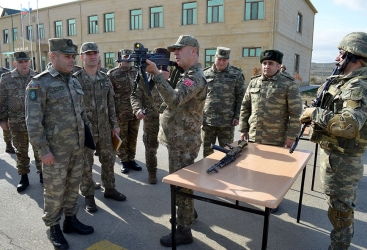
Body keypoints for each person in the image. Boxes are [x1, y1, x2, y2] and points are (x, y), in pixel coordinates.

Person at [299, 32, 367, 250]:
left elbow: (348, 125)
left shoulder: (358, 86)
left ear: (355, 57)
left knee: (340, 212)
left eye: (341, 53)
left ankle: (339, 247)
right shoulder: (346, 82)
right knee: (337, 208)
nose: (337, 58)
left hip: (343, 162)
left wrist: (314, 113)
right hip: (336, 158)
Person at [25, 38, 94, 250]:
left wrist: (89, 139)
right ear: (52, 57)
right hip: (54, 152)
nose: (72, 60)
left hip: (77, 147)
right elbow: (33, 122)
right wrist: (43, 150)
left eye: (73, 56)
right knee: (55, 192)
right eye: (67, 56)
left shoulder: (73, 80)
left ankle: (71, 220)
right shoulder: (39, 83)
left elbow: (81, 113)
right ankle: (53, 227)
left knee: (73, 187)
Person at [145, 35, 207, 247]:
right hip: (179, 139)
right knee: (182, 184)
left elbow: (174, 100)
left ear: (194, 51)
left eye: (181, 49)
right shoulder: (184, 74)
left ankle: (183, 230)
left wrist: (157, 76)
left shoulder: (194, 77)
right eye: (175, 50)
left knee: (181, 186)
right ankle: (187, 214)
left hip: (183, 143)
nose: (176, 53)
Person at [238, 50, 302, 213]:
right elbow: (245, 107)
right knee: (253, 168)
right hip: (254, 135)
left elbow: (295, 113)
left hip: (276, 137)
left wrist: (291, 136)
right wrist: (243, 128)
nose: (267, 66)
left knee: (273, 172)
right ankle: (255, 193)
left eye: (271, 63)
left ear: (279, 66)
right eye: (264, 63)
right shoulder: (254, 83)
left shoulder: (288, 84)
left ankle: (272, 199)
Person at [75, 42, 125, 213]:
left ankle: (110, 189)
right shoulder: (76, 80)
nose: (92, 56)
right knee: (86, 164)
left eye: (95, 53)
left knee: (109, 159)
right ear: (82, 57)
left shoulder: (105, 78)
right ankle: (88, 195)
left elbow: (111, 103)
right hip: (85, 129)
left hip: (104, 127)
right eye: (88, 54)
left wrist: (115, 125)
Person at [0, 51, 43, 192]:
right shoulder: (6, 79)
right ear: (15, 64)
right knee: (21, 150)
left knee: (40, 149)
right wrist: (2, 119)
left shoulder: (38, 77)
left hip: (36, 122)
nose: (24, 64)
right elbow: (2, 101)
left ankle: (43, 174)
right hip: (16, 122)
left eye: (26, 61)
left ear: (30, 62)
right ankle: (24, 177)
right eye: (20, 62)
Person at [202, 47, 246, 157]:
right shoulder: (205, 74)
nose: (221, 62)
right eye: (219, 59)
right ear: (214, 58)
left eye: (224, 60)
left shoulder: (236, 74)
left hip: (227, 122)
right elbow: (200, 97)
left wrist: (237, 115)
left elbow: (241, 96)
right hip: (208, 121)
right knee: (207, 152)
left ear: (228, 60)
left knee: (227, 152)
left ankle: (227, 174)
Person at [108, 49, 142, 174]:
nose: (128, 60)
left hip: (134, 111)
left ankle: (131, 159)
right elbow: (109, 96)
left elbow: (141, 91)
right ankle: (123, 160)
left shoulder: (137, 72)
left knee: (133, 137)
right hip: (120, 112)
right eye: (125, 57)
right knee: (122, 138)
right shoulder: (112, 74)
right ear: (120, 59)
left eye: (130, 58)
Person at [0, 67, 16, 154]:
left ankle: (8, 144)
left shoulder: (4, 72)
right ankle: (8, 144)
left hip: (6, 104)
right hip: (3, 104)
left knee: (7, 127)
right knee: (5, 127)